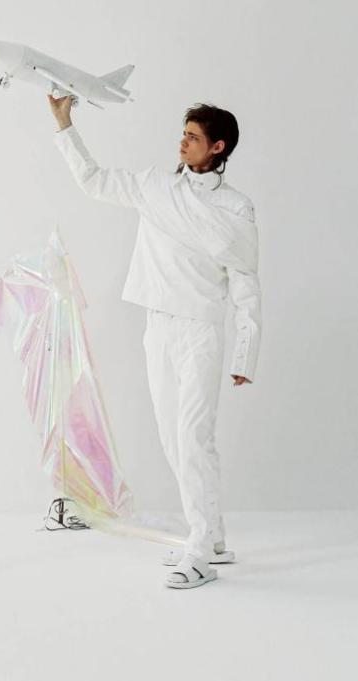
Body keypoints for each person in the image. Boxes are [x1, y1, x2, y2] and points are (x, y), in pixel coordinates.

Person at [49, 96, 261, 589]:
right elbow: (93, 180)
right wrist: (64, 123)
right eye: (183, 134)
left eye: (193, 137)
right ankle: (213, 537)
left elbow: (246, 279)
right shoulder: (155, 187)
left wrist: (245, 350)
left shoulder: (235, 206)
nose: (182, 142)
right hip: (157, 327)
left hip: (201, 330)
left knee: (193, 438)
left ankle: (199, 550)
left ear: (218, 147)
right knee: (172, 438)